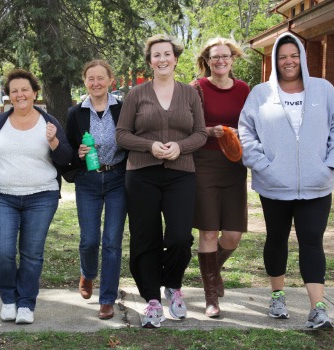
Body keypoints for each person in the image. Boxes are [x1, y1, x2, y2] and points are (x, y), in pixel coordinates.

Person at [239, 32, 334, 329]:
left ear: (302, 57)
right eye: (282, 57)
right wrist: (263, 166)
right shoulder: (260, 94)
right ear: (274, 61)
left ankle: (318, 308)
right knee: (276, 239)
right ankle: (277, 296)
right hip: (274, 185)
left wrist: (330, 164)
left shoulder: (324, 90)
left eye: (293, 55)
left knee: (311, 242)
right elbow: (245, 132)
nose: (288, 61)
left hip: (316, 185)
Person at [116, 34, 207, 328]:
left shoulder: (190, 93)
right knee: (146, 237)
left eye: (167, 54)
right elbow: (122, 134)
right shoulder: (136, 95)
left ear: (175, 58)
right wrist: (148, 146)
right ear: (150, 61)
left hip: (181, 172)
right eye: (156, 55)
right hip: (141, 173)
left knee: (180, 236)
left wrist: (181, 147)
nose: (162, 59)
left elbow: (201, 133)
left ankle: (173, 285)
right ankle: (152, 301)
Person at [0, 69, 72, 325]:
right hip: (2, 195)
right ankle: (8, 299)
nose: (20, 95)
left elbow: (66, 159)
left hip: (42, 196)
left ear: (35, 93)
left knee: (31, 254)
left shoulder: (49, 122)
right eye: (14, 90)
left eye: (24, 90)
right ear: (9, 96)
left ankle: (26, 303)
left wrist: (53, 142)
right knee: (2, 251)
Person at [191, 37, 250, 318]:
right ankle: (211, 297)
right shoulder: (197, 88)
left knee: (233, 235)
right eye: (215, 57)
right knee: (209, 232)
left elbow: (252, 124)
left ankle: (213, 270)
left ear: (232, 58)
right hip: (204, 163)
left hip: (234, 164)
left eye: (225, 56)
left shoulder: (243, 90)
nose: (220, 61)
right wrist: (207, 131)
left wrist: (241, 134)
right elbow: (186, 125)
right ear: (207, 61)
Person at [64, 60, 127, 320]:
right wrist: (78, 154)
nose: (96, 83)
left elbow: (131, 139)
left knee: (112, 241)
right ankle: (88, 274)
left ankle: (108, 298)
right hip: (88, 181)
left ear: (111, 79)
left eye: (101, 78)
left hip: (118, 180)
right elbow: (67, 148)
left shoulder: (123, 109)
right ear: (85, 81)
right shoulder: (75, 113)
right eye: (91, 78)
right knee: (89, 240)